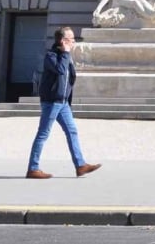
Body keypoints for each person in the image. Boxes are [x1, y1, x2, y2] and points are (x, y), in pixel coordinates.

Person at [25, 28, 100, 179]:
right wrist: (65, 53)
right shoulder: (51, 56)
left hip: (63, 103)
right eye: (71, 38)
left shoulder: (67, 57)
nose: (73, 41)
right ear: (63, 41)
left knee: (72, 131)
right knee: (43, 133)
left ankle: (80, 165)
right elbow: (60, 70)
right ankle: (33, 168)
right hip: (52, 102)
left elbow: (69, 78)